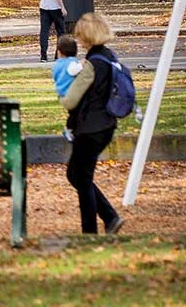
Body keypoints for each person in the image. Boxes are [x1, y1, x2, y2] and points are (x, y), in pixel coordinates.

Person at [60, 12, 126, 235]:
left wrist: (62, 93)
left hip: (90, 127)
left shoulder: (92, 64)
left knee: (80, 176)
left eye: (80, 36)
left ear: (86, 37)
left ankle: (92, 229)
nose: (78, 40)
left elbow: (70, 101)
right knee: (79, 175)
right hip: (106, 124)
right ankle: (109, 218)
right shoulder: (110, 57)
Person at [52, 35, 83, 142]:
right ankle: (69, 129)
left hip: (61, 92)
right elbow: (74, 71)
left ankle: (73, 129)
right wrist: (83, 64)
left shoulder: (57, 64)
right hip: (71, 93)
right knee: (76, 113)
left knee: (73, 113)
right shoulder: (71, 63)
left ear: (59, 52)